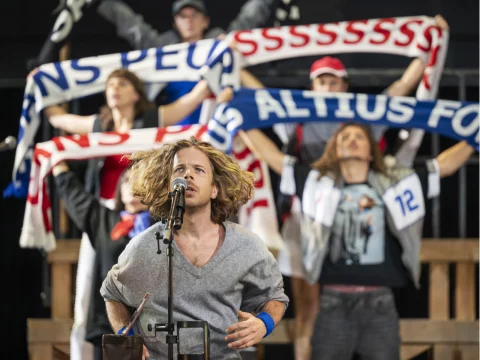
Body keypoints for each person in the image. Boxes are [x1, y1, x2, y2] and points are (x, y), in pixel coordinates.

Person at [237, 14, 449, 360]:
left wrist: (433, 42)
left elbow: (403, 86)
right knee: (308, 309)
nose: (329, 87)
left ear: (345, 85)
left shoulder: (362, 117)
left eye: (335, 81)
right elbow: (258, 92)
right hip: (310, 217)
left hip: (357, 214)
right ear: (312, 87)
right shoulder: (299, 115)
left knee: (355, 302)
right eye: (322, 81)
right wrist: (231, 56)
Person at [239, 119, 474, 359]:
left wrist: (475, 135)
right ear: (335, 149)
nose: (352, 140)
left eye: (359, 137)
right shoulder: (317, 183)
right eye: (345, 137)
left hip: (380, 303)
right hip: (332, 303)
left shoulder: (395, 183)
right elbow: (273, 157)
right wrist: (241, 120)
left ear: (372, 151)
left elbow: (441, 166)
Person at [33, 67, 211, 360]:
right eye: (110, 84)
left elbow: (190, 102)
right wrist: (38, 83)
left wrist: (215, 74)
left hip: (148, 212)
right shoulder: (99, 126)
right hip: (106, 215)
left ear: (136, 93)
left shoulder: (151, 120)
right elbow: (56, 117)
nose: (114, 89)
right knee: (90, 290)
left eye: (122, 83)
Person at [100, 137, 289, 359]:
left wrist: (264, 323)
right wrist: (127, 334)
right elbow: (112, 293)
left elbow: (276, 296)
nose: (187, 175)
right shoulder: (146, 245)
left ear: (214, 190)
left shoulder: (245, 245)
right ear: (168, 185)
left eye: (198, 170)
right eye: (179, 169)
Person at [97, 0, 276, 125]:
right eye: (182, 16)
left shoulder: (218, 44)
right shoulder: (164, 48)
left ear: (205, 21)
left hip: (215, 125)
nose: (188, 21)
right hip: (175, 125)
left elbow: (249, 18)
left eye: (194, 15)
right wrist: (100, 3)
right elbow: (133, 27)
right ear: (175, 23)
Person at [52, 160, 154, 360]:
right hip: (109, 324)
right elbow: (74, 195)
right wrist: (56, 161)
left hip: (155, 325)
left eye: (140, 180)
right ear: (119, 190)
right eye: (126, 180)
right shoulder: (104, 220)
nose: (132, 184)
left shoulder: (166, 224)